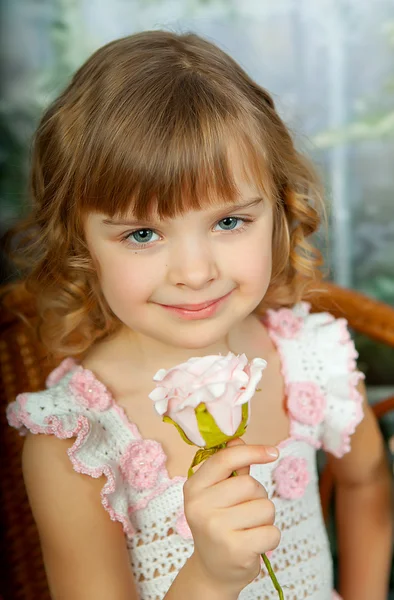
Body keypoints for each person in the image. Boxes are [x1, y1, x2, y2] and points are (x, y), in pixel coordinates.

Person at [5, 30, 392, 600]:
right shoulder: (74, 444)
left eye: (229, 222)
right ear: (79, 244)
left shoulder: (311, 356)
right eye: (142, 233)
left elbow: (367, 484)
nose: (194, 271)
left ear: (280, 211)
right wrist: (210, 576)